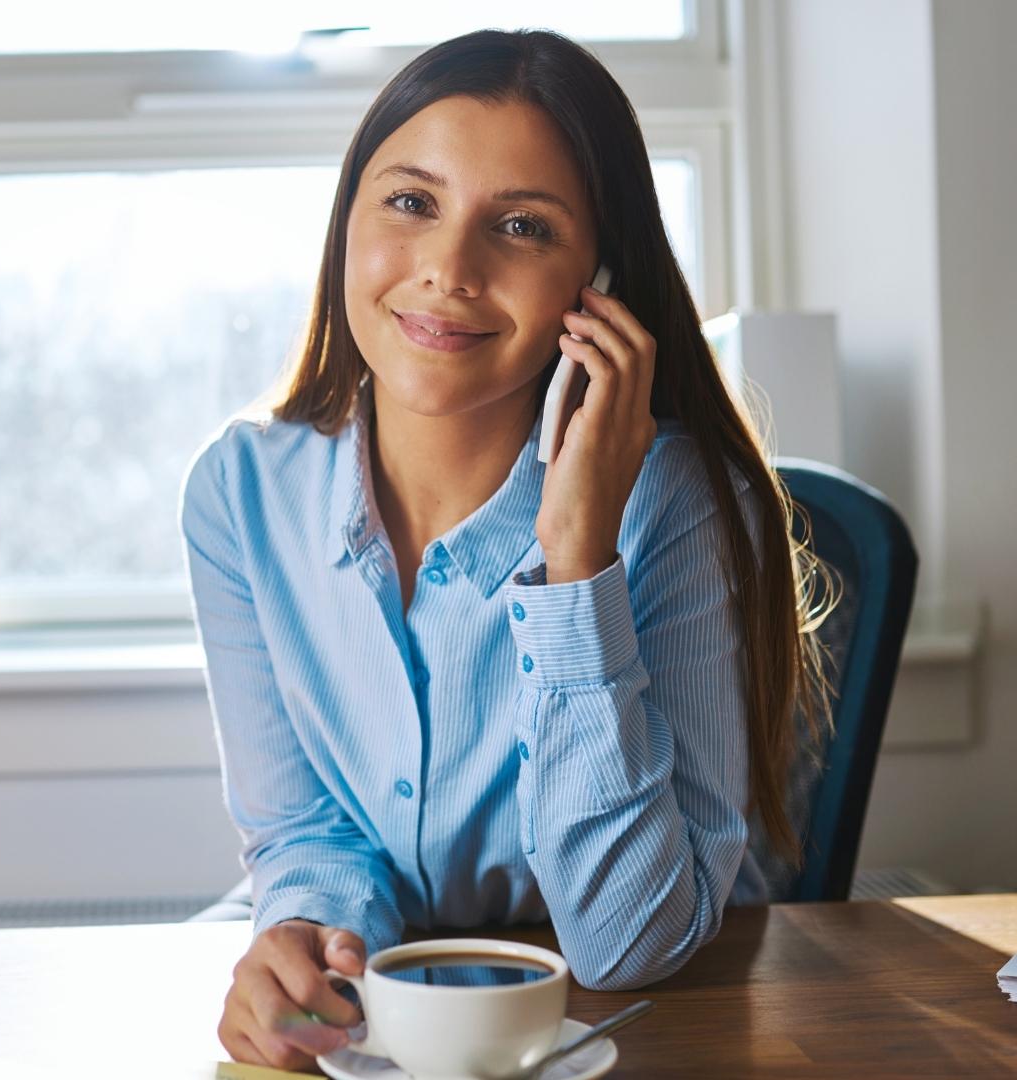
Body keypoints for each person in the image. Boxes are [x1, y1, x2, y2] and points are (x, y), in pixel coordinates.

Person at [179, 27, 835, 1072]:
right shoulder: (239, 496)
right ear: (347, 220)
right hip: (391, 1015)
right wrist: (318, 939)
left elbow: (627, 945)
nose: (448, 269)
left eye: (521, 226)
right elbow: (305, 831)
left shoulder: (680, 503)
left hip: (632, 1030)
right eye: (410, 202)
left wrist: (577, 558)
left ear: (599, 279)